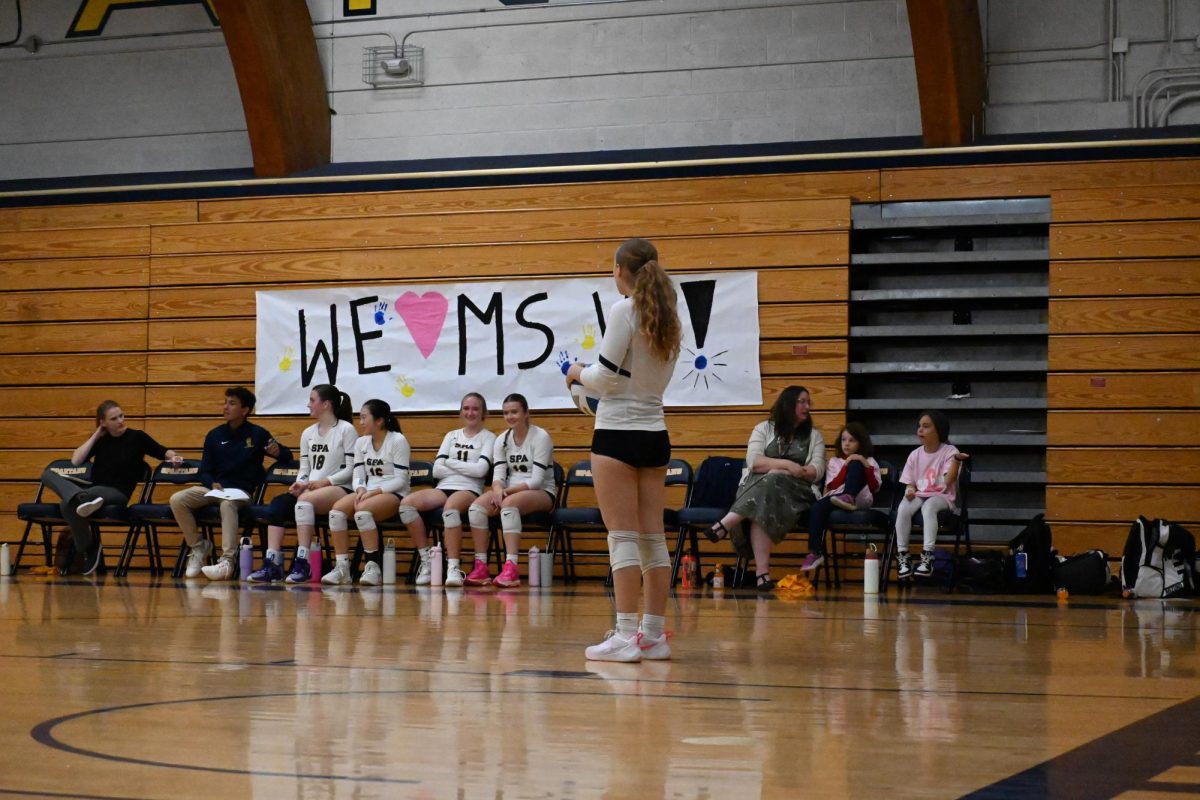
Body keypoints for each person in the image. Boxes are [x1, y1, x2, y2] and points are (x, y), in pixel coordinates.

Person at [565, 237, 681, 662]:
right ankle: (653, 635)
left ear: (620, 270)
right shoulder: (668, 316)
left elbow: (608, 378)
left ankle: (625, 635)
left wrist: (575, 371)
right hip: (656, 434)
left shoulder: (624, 310)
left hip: (616, 433)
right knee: (653, 537)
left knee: (623, 538)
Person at [42, 400, 181, 575]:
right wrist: (95, 435)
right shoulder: (101, 440)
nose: (120, 421)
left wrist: (175, 458)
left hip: (117, 492)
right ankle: (83, 517)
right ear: (103, 422)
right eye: (114, 418)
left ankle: (87, 543)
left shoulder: (137, 437)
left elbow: (163, 451)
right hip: (92, 492)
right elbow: (76, 461)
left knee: (67, 504)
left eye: (121, 416)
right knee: (48, 475)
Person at [708, 385, 826, 592]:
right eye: (802, 402)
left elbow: (817, 470)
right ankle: (762, 575)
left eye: (809, 402)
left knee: (772, 482)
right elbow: (754, 462)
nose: (807, 406)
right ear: (788, 404)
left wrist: (787, 471)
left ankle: (725, 524)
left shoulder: (814, 436)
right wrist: (786, 465)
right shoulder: (763, 428)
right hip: (760, 488)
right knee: (764, 498)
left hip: (798, 493)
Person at [171, 387, 292, 581]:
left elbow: (286, 455)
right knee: (178, 499)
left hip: (240, 493)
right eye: (225, 402)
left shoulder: (257, 434)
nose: (225, 407)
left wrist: (279, 453)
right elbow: (204, 471)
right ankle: (198, 546)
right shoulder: (214, 435)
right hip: (215, 489)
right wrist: (212, 484)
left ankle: (227, 560)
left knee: (227, 505)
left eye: (232, 403)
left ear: (245, 410)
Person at [247, 384, 357, 583]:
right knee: (277, 505)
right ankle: (272, 563)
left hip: (340, 488)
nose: (308, 404)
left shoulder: (346, 430)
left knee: (305, 501)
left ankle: (302, 562)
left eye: (312, 400)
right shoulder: (308, 433)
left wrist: (326, 481)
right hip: (311, 489)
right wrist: (299, 483)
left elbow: (351, 468)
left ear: (326, 405)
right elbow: (305, 469)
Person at [450, 393, 556, 588]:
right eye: (506, 413)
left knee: (508, 505)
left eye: (514, 412)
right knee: (476, 509)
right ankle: (481, 566)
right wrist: (498, 488)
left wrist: (506, 492)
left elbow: (537, 480)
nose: (510, 417)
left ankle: (511, 568)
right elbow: (498, 475)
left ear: (526, 413)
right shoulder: (502, 440)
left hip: (541, 492)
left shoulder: (540, 436)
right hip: (510, 491)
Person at [400, 392, 496, 587]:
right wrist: (463, 466)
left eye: (475, 408)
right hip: (444, 486)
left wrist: (450, 462)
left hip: (469, 489)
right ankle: (427, 561)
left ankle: (453, 568)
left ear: (483, 412)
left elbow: (481, 471)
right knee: (406, 505)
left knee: (450, 508)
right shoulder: (451, 436)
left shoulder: (489, 437)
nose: (470, 413)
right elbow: (436, 469)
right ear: (461, 411)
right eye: (466, 408)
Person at [323, 399, 412, 586]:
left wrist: (375, 492)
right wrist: (361, 488)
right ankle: (342, 568)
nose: (360, 422)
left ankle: (373, 567)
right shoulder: (361, 442)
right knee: (336, 513)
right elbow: (358, 474)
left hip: (394, 493)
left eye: (364, 417)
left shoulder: (397, 440)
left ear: (379, 421)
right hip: (368, 492)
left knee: (362, 512)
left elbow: (400, 480)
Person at [895, 410, 969, 580]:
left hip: (941, 497)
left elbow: (948, 481)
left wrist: (957, 462)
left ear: (939, 431)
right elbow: (910, 481)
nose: (920, 430)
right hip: (920, 494)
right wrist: (910, 490)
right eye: (919, 426)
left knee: (929, 507)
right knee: (903, 507)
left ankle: (927, 556)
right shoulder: (914, 454)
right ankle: (902, 556)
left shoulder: (950, 451)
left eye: (926, 426)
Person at [800, 422, 881, 573]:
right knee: (817, 507)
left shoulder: (869, 461)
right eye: (844, 440)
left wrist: (864, 465)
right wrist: (845, 465)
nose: (847, 444)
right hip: (837, 498)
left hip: (860, 498)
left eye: (852, 440)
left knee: (856, 464)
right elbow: (832, 486)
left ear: (860, 442)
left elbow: (874, 487)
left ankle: (849, 496)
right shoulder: (834, 462)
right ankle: (815, 552)